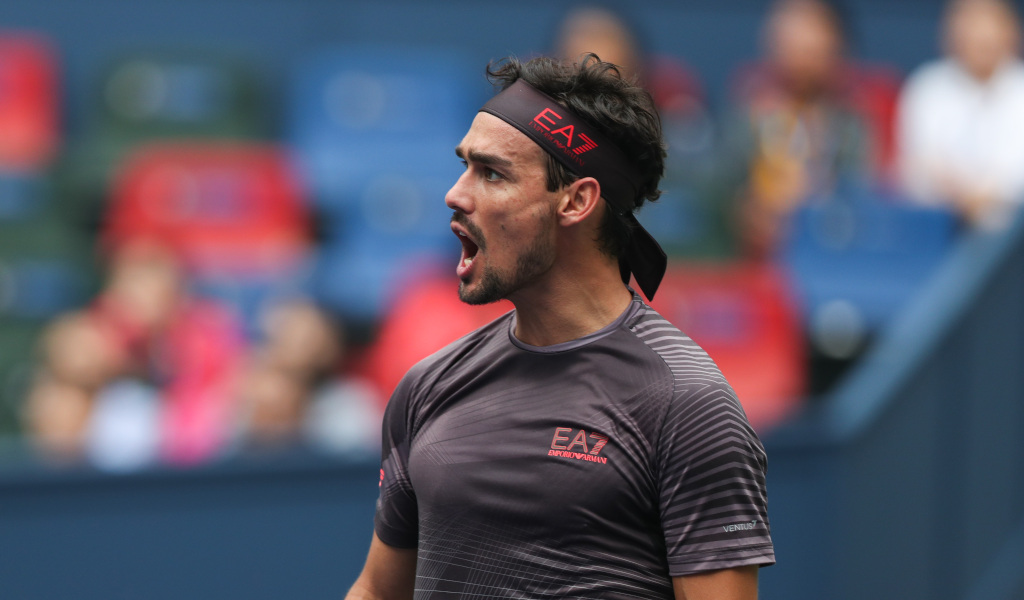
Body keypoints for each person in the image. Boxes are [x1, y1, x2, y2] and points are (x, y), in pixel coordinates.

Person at [347, 54, 774, 600]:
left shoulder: (688, 405)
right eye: (465, 166)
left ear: (576, 201)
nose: (456, 194)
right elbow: (378, 592)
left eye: (492, 173)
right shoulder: (426, 388)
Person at [897, 0, 1024, 230]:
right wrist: (961, 196)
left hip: (1013, 232)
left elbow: (1016, 178)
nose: (980, 33)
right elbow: (917, 169)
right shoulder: (927, 86)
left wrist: (986, 198)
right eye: (970, 21)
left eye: (989, 21)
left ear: (1012, 30)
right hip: (938, 226)